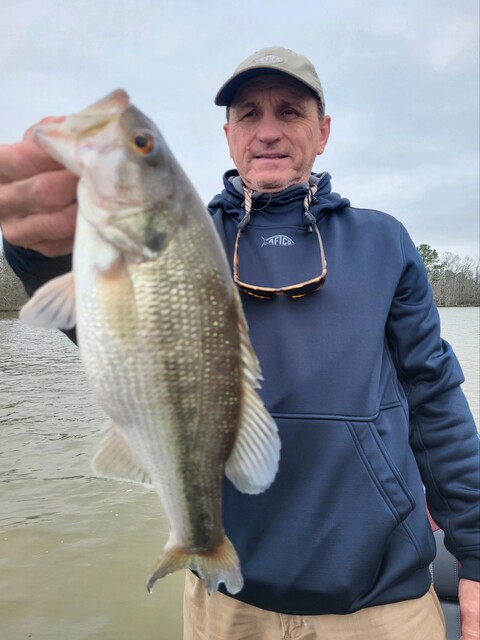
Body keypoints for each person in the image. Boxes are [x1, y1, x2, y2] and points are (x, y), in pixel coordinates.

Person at [0, 47, 478, 640]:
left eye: (290, 111)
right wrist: (37, 251)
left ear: (323, 131)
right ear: (228, 136)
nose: (269, 131)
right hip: (227, 596)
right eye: (249, 114)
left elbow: (435, 402)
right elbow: (104, 330)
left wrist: (476, 556)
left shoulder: (384, 241)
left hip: (380, 603)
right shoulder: (184, 236)